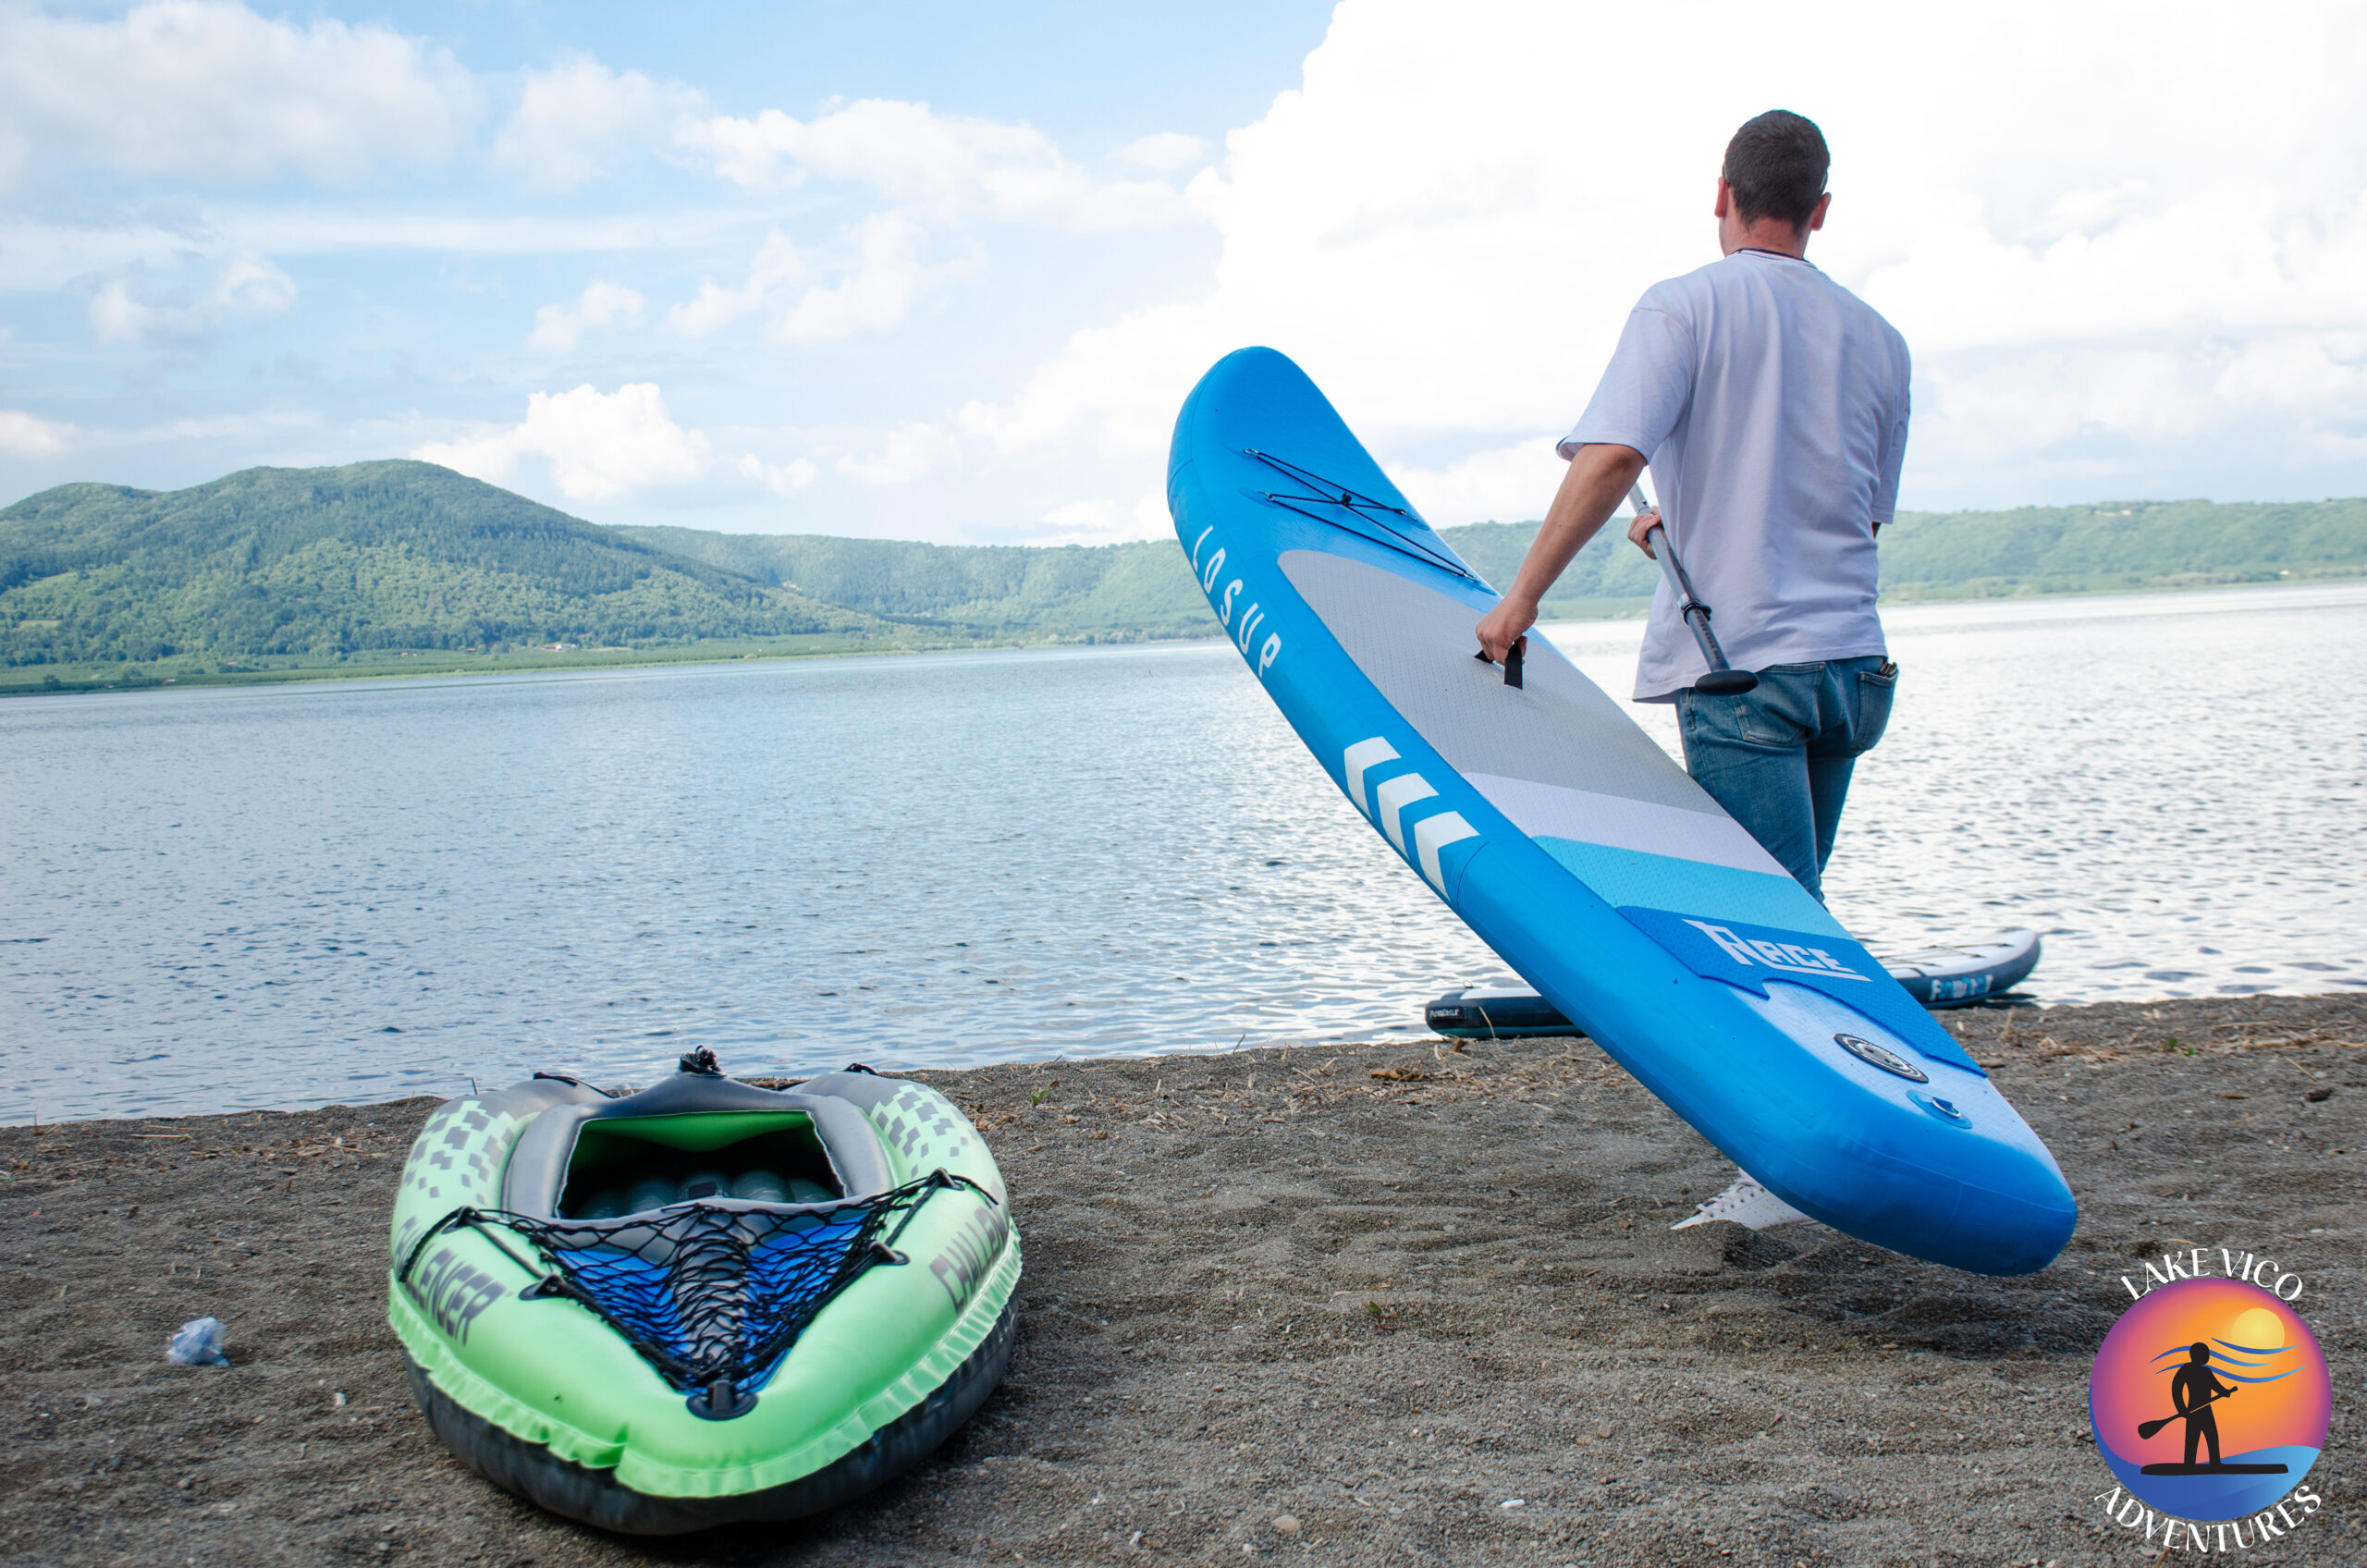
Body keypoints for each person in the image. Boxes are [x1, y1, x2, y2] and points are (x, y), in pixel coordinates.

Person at [1475, 109, 1909, 904]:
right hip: (1852, 667)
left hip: (1746, 668)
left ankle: (1817, 1027)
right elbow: (1857, 516)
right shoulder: (1881, 339)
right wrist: (1681, 535)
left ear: (1721, 193)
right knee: (1792, 901)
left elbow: (1612, 458)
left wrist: (1521, 599)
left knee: (1770, 918)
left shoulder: (1683, 306)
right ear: (1819, 209)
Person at [2166, 1341, 2235, 1466]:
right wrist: (2181, 1408)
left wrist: (2224, 1392)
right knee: (2192, 1437)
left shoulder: (2206, 1371)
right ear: (2196, 1355)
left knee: (2212, 1436)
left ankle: (2215, 1463)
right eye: (2205, 1354)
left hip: (2206, 1410)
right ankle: (2189, 1464)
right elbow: (2176, 1389)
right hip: (2192, 1410)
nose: (2207, 1356)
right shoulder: (2186, 1369)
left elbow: (2215, 1385)